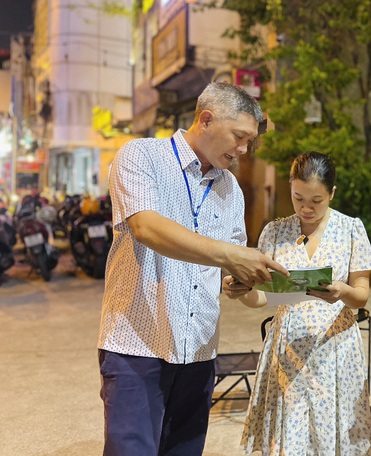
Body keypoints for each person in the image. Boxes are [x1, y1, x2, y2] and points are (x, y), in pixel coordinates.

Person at [97, 82, 288, 456]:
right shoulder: (141, 156)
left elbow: (230, 266)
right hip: (138, 347)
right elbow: (146, 227)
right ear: (206, 119)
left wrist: (240, 281)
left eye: (250, 141)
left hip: (199, 354)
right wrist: (230, 257)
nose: (244, 150)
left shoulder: (230, 188)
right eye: (239, 137)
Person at [225, 151, 371, 455]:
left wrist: (341, 292)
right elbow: (263, 298)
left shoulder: (350, 229)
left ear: (332, 193)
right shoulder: (275, 232)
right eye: (298, 199)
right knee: (290, 439)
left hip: (335, 351)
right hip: (287, 349)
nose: (306, 208)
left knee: (332, 437)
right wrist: (242, 292)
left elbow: (362, 295)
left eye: (316, 200)